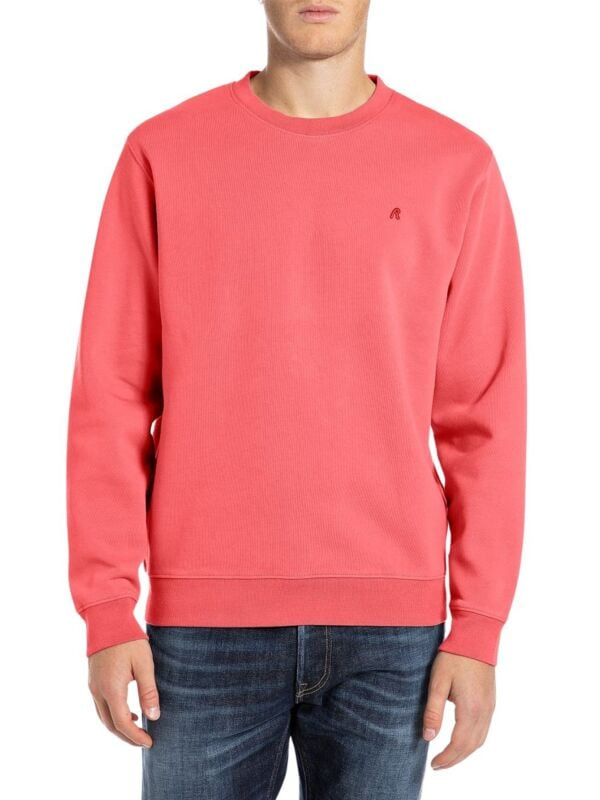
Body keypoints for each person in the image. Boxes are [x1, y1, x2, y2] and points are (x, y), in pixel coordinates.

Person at [66, 1, 527, 797]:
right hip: (201, 630)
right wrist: (107, 605)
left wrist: (479, 624)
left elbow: (485, 416)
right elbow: (111, 392)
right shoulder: (163, 153)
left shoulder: (458, 165)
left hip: (393, 635)